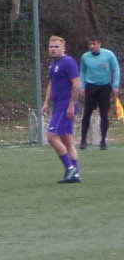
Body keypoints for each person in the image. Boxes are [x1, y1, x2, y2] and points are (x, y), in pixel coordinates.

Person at [44, 34, 82, 183]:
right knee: (67, 141)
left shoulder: (68, 62)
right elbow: (51, 83)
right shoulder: (53, 64)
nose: (53, 49)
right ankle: (75, 175)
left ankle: (70, 168)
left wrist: (71, 105)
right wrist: (46, 102)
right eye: (51, 47)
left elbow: (76, 84)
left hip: (65, 106)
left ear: (64, 48)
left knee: (51, 137)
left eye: (56, 47)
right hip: (58, 105)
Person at [79, 35, 117, 152]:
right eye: (90, 44)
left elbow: (116, 69)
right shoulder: (85, 57)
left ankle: (103, 141)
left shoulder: (109, 55)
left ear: (99, 43)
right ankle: (83, 140)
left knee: (104, 114)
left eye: (94, 44)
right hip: (91, 87)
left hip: (105, 87)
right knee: (87, 113)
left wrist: (115, 85)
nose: (92, 46)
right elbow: (82, 72)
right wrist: (82, 86)